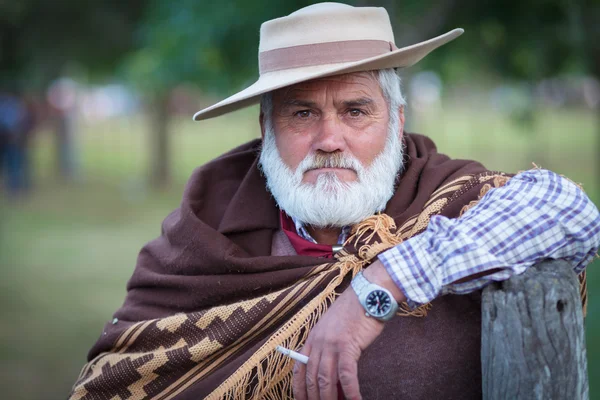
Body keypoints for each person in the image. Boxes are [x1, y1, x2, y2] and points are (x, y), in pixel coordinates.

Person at [69, 3, 600, 400]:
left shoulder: (446, 196)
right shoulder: (199, 238)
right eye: (301, 113)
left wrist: (382, 284)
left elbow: (570, 208)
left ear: (397, 121)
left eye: (354, 111)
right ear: (265, 128)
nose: (328, 138)